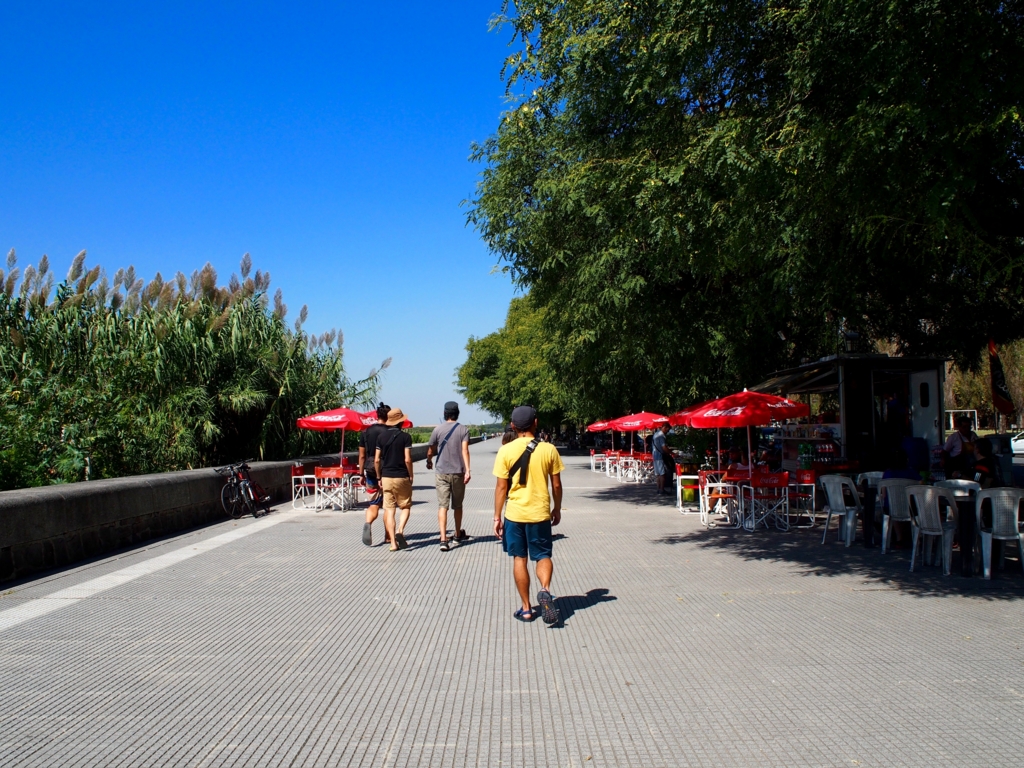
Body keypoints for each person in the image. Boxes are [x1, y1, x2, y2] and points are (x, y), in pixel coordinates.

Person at [493, 405, 565, 624]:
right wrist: (557, 508)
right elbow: (556, 485)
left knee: (519, 558)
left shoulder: (505, 450)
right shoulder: (549, 449)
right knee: (543, 555)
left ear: (513, 426)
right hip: (539, 513)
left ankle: (526, 609)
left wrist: (497, 516)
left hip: (514, 515)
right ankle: (544, 589)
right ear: (536, 422)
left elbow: (501, 488)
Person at [425, 401, 472, 551]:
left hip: (442, 472)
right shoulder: (463, 429)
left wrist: (429, 460)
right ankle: (457, 535)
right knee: (458, 506)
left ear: (445, 414)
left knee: (442, 506)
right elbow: (465, 451)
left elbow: (431, 449)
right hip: (458, 472)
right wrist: (468, 470)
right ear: (457, 413)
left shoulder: (437, 429)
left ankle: (443, 539)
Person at [374, 408, 414, 552]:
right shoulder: (405, 438)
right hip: (401, 475)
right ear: (401, 421)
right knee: (405, 506)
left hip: (386, 477)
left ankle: (393, 543)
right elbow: (408, 459)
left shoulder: (381, 437)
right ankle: (400, 530)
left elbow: (377, 460)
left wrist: (378, 476)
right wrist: (411, 475)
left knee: (389, 510)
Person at [359, 402, 390, 546]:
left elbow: (362, 455)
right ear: (388, 416)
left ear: (377, 415)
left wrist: (361, 474)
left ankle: (368, 522)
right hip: (388, 471)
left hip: (370, 470)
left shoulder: (365, 432)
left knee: (374, 504)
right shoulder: (390, 432)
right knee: (388, 506)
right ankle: (388, 536)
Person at [652, 423, 674, 495]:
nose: (668, 431)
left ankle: (658, 489)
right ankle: (662, 490)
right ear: (665, 427)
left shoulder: (656, 434)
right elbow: (664, 447)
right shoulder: (661, 436)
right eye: (668, 429)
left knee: (657, 474)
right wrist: (671, 453)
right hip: (660, 456)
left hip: (654, 456)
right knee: (662, 474)